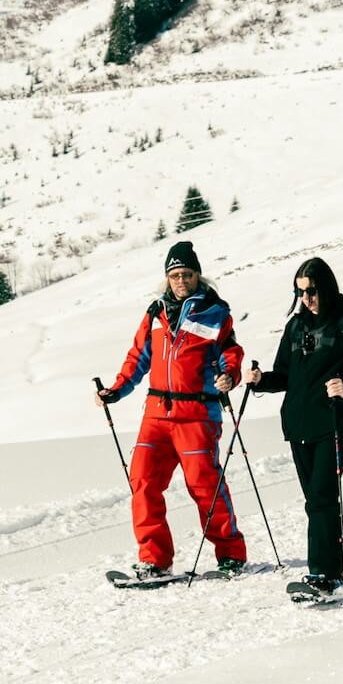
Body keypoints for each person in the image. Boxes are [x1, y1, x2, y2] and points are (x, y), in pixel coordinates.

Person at [96, 241, 247, 578]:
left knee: (204, 485)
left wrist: (229, 376)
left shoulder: (215, 312)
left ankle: (231, 554)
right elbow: (138, 358)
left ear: (197, 275)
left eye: (187, 274)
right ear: (167, 278)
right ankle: (154, 559)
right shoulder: (155, 313)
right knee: (142, 480)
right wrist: (115, 390)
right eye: (175, 275)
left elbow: (230, 354)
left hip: (197, 414)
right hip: (156, 414)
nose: (181, 281)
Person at [244, 256, 343, 593]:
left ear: (327, 288)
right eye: (300, 292)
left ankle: (323, 575)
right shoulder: (295, 327)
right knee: (318, 502)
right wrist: (261, 380)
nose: (306, 298)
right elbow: (284, 374)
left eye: (312, 291)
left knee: (321, 499)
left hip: (334, 423)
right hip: (298, 426)